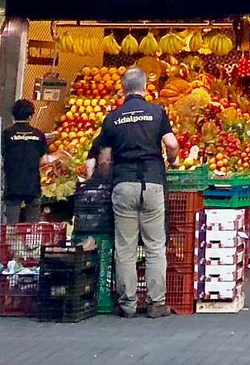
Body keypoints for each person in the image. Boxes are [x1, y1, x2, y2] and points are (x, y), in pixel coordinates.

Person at [92, 67, 178, 318]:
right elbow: (171, 144)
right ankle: (156, 303)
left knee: (125, 248)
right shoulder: (157, 112)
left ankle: (127, 304)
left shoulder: (112, 118)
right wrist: (172, 161)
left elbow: (105, 160)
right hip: (152, 183)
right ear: (146, 86)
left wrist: (111, 180)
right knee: (154, 246)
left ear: (123, 89)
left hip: (123, 184)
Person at [0, 98, 49, 224]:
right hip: (32, 184)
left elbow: (0, 157)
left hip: (12, 184)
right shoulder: (38, 135)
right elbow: (44, 160)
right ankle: (31, 243)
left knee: (11, 224)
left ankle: (11, 242)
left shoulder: (6, 134)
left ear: (13, 114)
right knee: (32, 225)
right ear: (31, 115)